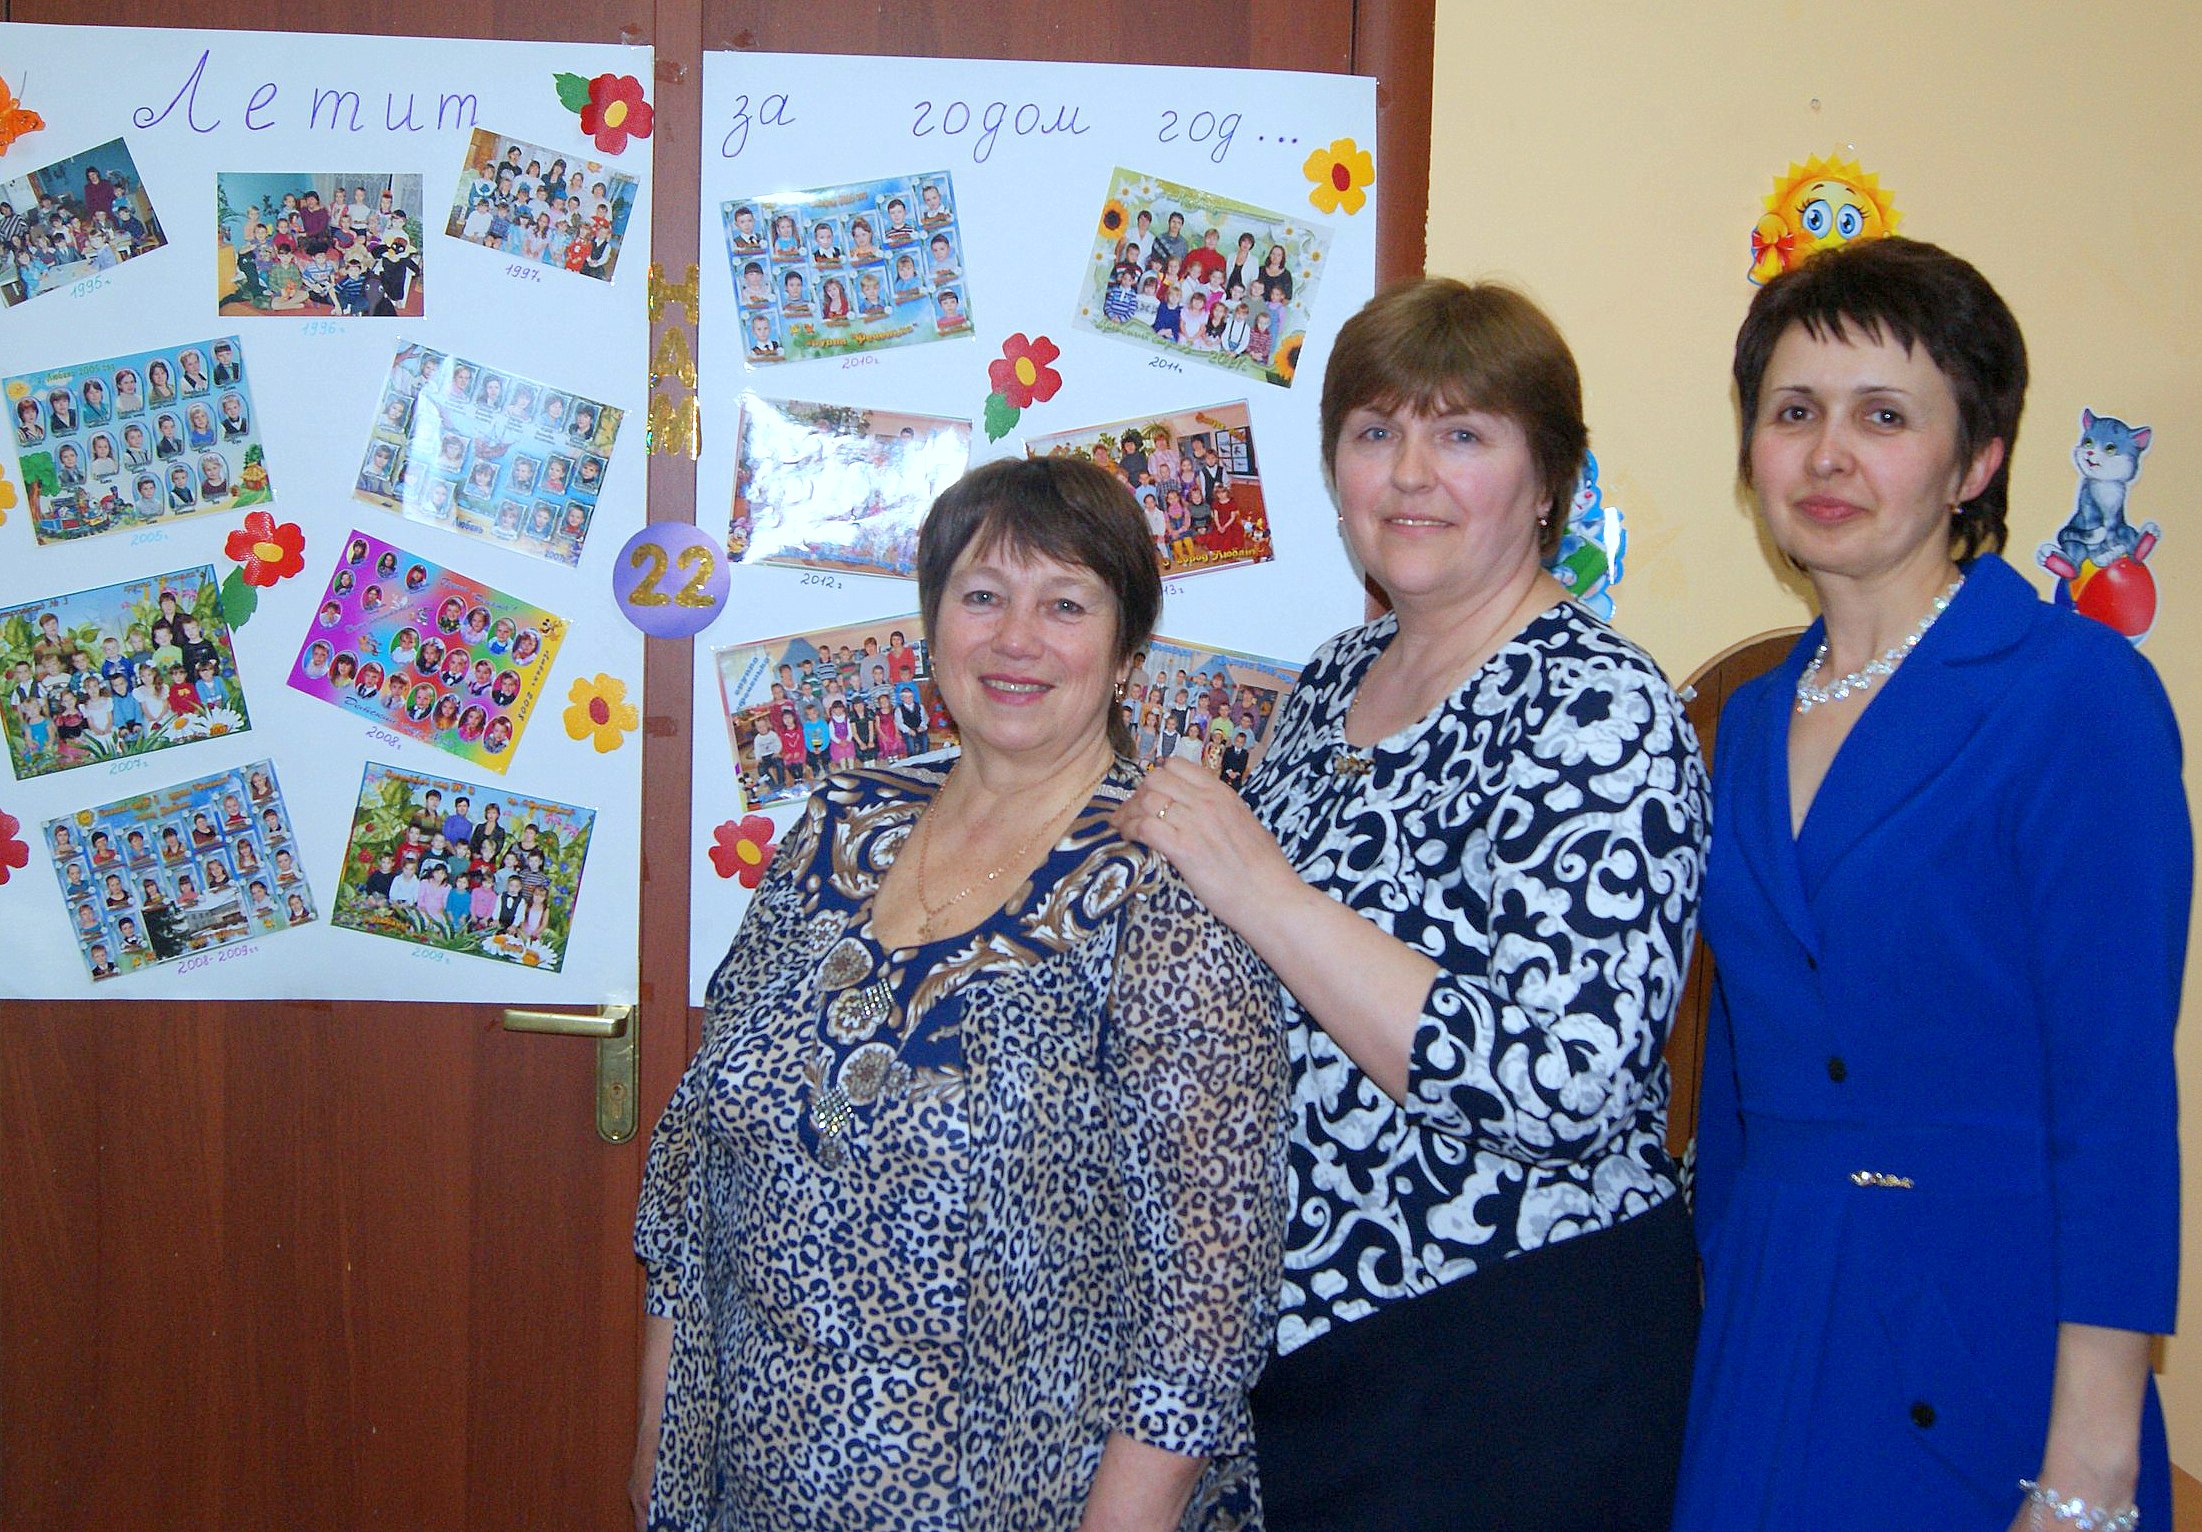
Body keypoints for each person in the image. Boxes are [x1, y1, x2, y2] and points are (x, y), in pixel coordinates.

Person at [1115, 277, 1708, 1530]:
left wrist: (1260, 885)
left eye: (1464, 433)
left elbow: (1562, 1085)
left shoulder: (1602, 705)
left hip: (1512, 1349)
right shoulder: (1333, 679)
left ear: (1548, 481)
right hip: (1312, 1349)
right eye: (1376, 430)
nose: (1410, 473)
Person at [632, 456, 1288, 1531]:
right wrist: (660, 1453)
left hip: (1027, 1497)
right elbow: (692, 1167)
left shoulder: (1170, 879)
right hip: (757, 1483)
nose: (1016, 638)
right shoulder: (839, 824)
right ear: (933, 626)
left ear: (1128, 650)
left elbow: (1206, 1309)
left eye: (1065, 604)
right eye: (983, 596)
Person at [1673, 238, 2188, 1530]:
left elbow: (2116, 1092)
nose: (1826, 455)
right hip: (1767, 1317)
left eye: (1884, 417)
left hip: (1984, 1331)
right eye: (1793, 412)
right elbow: (1737, 1070)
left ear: (1975, 462)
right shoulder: (1748, 716)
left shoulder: (2074, 692)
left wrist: (2089, 1465)